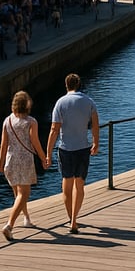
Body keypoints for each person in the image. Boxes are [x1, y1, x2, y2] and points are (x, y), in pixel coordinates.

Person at [45, 73, 100, 233]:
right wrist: (96, 142)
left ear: (66, 85)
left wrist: (48, 153)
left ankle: (71, 219)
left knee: (67, 185)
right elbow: (95, 124)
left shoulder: (60, 103)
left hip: (65, 149)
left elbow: (54, 129)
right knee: (80, 185)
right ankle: (75, 220)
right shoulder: (89, 102)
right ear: (79, 84)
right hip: (83, 148)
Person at [0, 90, 47, 240]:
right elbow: (35, 141)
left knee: (18, 193)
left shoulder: (7, 121)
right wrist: (43, 157)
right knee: (24, 193)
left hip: (10, 159)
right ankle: (9, 225)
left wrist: (0, 162)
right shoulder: (31, 122)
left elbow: (4, 143)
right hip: (24, 160)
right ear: (27, 105)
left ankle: (26, 219)